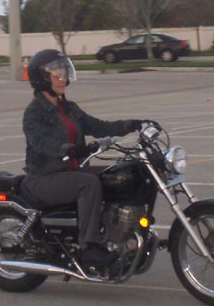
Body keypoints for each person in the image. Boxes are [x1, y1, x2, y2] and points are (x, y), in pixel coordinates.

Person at [21, 49, 146, 266]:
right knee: (89, 184)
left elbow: (98, 126)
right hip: (43, 177)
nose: (63, 78)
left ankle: (127, 232)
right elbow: (40, 142)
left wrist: (132, 124)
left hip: (70, 171)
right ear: (42, 79)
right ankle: (88, 247)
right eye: (57, 73)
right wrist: (68, 150)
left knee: (123, 173)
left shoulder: (69, 108)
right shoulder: (34, 113)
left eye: (64, 72)